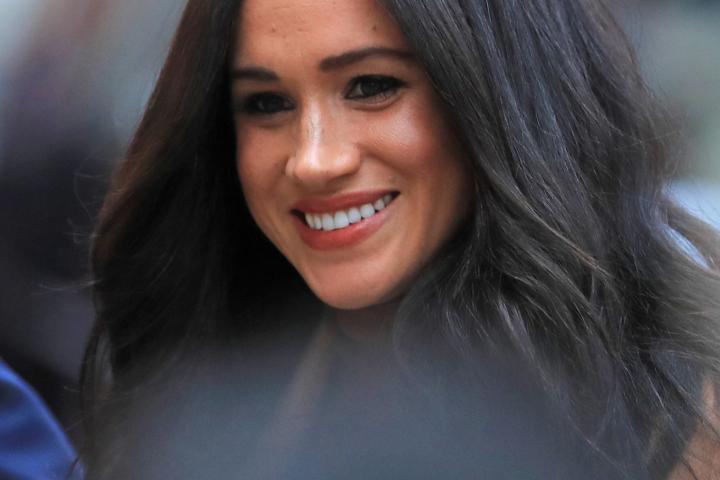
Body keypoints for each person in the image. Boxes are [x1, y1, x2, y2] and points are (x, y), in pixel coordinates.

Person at [80, 0, 720, 478]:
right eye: (267, 103)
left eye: (372, 86)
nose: (313, 160)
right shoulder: (198, 372)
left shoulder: (679, 405)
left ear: (501, 97)